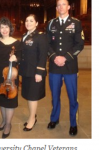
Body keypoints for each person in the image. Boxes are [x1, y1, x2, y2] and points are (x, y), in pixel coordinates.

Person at [46, 0, 85, 136]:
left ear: (68, 7)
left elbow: (80, 44)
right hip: (54, 67)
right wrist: (54, 57)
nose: (61, 7)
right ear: (56, 8)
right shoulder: (51, 23)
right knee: (55, 95)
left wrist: (65, 58)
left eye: (64, 4)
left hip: (70, 67)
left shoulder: (76, 23)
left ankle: (73, 123)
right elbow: (47, 43)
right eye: (59, 5)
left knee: (72, 96)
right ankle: (54, 119)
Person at [0, 17, 21, 138]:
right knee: (1, 98)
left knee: (10, 100)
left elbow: (22, 57)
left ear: (10, 28)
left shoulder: (17, 43)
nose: (4, 29)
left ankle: (8, 124)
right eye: (2, 27)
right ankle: (3, 120)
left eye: (7, 27)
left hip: (11, 75)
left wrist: (16, 58)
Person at [19, 14, 48, 131]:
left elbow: (43, 56)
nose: (28, 23)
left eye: (31, 21)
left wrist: (39, 72)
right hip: (26, 71)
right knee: (28, 95)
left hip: (35, 72)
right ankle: (32, 115)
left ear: (36, 23)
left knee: (32, 97)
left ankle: (32, 119)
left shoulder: (40, 37)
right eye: (26, 20)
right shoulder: (24, 36)